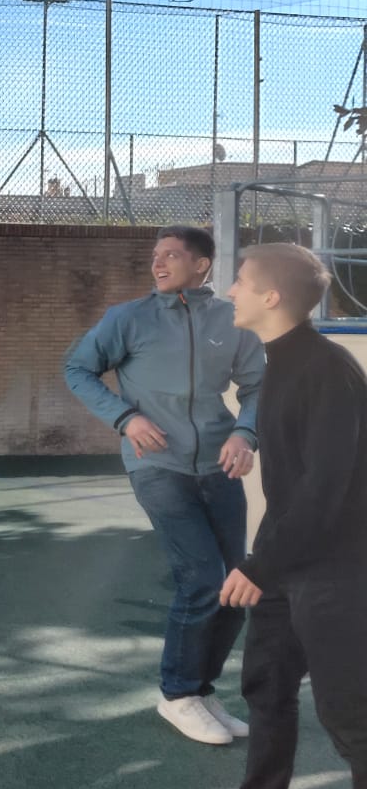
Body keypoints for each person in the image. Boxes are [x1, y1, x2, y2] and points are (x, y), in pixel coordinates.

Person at [173, 243, 367, 789]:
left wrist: (259, 564)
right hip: (290, 566)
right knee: (265, 682)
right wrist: (268, 565)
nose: (230, 290)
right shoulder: (279, 363)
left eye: (242, 282)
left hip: (339, 572)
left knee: (353, 719)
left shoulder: (328, 371)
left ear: (273, 297)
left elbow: (326, 491)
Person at [64, 226, 264, 745]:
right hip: (157, 466)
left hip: (219, 466)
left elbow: (259, 387)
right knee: (202, 579)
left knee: (235, 584)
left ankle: (201, 691)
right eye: (156, 255)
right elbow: (78, 369)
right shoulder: (128, 319)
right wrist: (126, 418)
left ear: (201, 265)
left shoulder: (232, 320)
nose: (159, 263)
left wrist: (245, 433)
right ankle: (177, 695)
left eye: (172, 255)